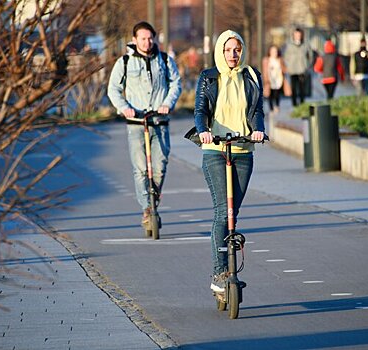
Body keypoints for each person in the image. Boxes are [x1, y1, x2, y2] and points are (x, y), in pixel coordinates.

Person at [185, 30, 265, 292]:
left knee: (234, 214)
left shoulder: (252, 77)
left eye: (237, 49)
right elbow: (200, 111)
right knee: (223, 211)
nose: (233, 54)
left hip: (243, 152)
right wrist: (204, 131)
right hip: (215, 151)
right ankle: (219, 273)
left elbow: (256, 111)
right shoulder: (209, 77)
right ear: (220, 50)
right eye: (228, 49)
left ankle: (231, 267)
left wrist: (258, 129)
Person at [108, 21, 181, 224]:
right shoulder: (124, 62)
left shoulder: (164, 60)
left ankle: (154, 198)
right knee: (140, 168)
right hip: (137, 123)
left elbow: (176, 83)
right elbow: (113, 89)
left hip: (159, 120)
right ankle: (147, 208)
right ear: (134, 40)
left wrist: (167, 103)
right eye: (143, 38)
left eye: (150, 38)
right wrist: (124, 108)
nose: (147, 42)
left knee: (160, 165)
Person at [284, 28, 313, 106]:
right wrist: (288, 65)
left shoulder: (306, 44)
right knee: (293, 88)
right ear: (293, 35)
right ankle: (294, 104)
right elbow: (286, 56)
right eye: (296, 34)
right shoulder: (289, 45)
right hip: (292, 70)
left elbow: (310, 56)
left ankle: (302, 104)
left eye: (299, 35)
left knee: (302, 88)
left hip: (302, 69)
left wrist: (307, 65)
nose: (298, 36)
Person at [262, 45, 288, 113]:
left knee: (277, 93)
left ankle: (277, 105)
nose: (274, 53)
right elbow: (264, 70)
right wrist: (266, 78)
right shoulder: (267, 60)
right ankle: (271, 108)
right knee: (270, 93)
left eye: (275, 51)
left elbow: (284, 68)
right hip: (270, 78)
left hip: (278, 78)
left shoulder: (280, 59)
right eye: (273, 51)